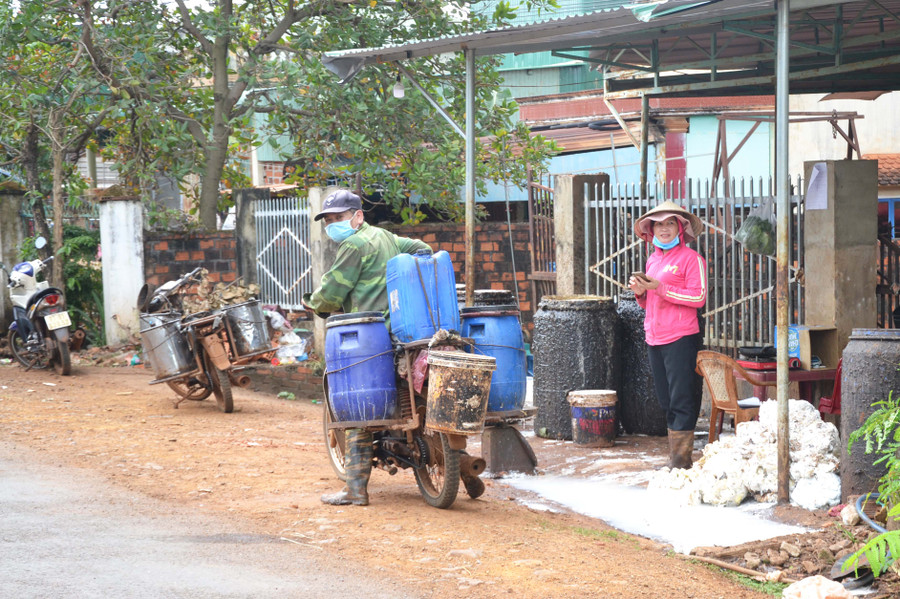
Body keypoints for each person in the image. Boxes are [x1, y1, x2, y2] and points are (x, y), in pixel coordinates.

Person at [302, 189, 430, 506]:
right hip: (402, 331)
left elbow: (333, 290)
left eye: (339, 218)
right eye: (329, 220)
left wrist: (312, 303)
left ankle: (355, 489)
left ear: (358, 216)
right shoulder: (385, 237)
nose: (333, 225)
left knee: (357, 406)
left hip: (369, 335)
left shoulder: (354, 244)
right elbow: (422, 249)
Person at [629, 201, 707, 470]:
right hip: (654, 336)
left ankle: (681, 461)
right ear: (651, 230)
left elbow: (698, 297)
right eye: (659, 224)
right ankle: (675, 457)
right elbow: (651, 300)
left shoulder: (692, 259)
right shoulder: (653, 259)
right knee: (665, 400)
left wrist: (659, 287)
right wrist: (641, 292)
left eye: (669, 223)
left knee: (682, 398)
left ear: (680, 228)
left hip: (681, 337)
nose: (664, 228)